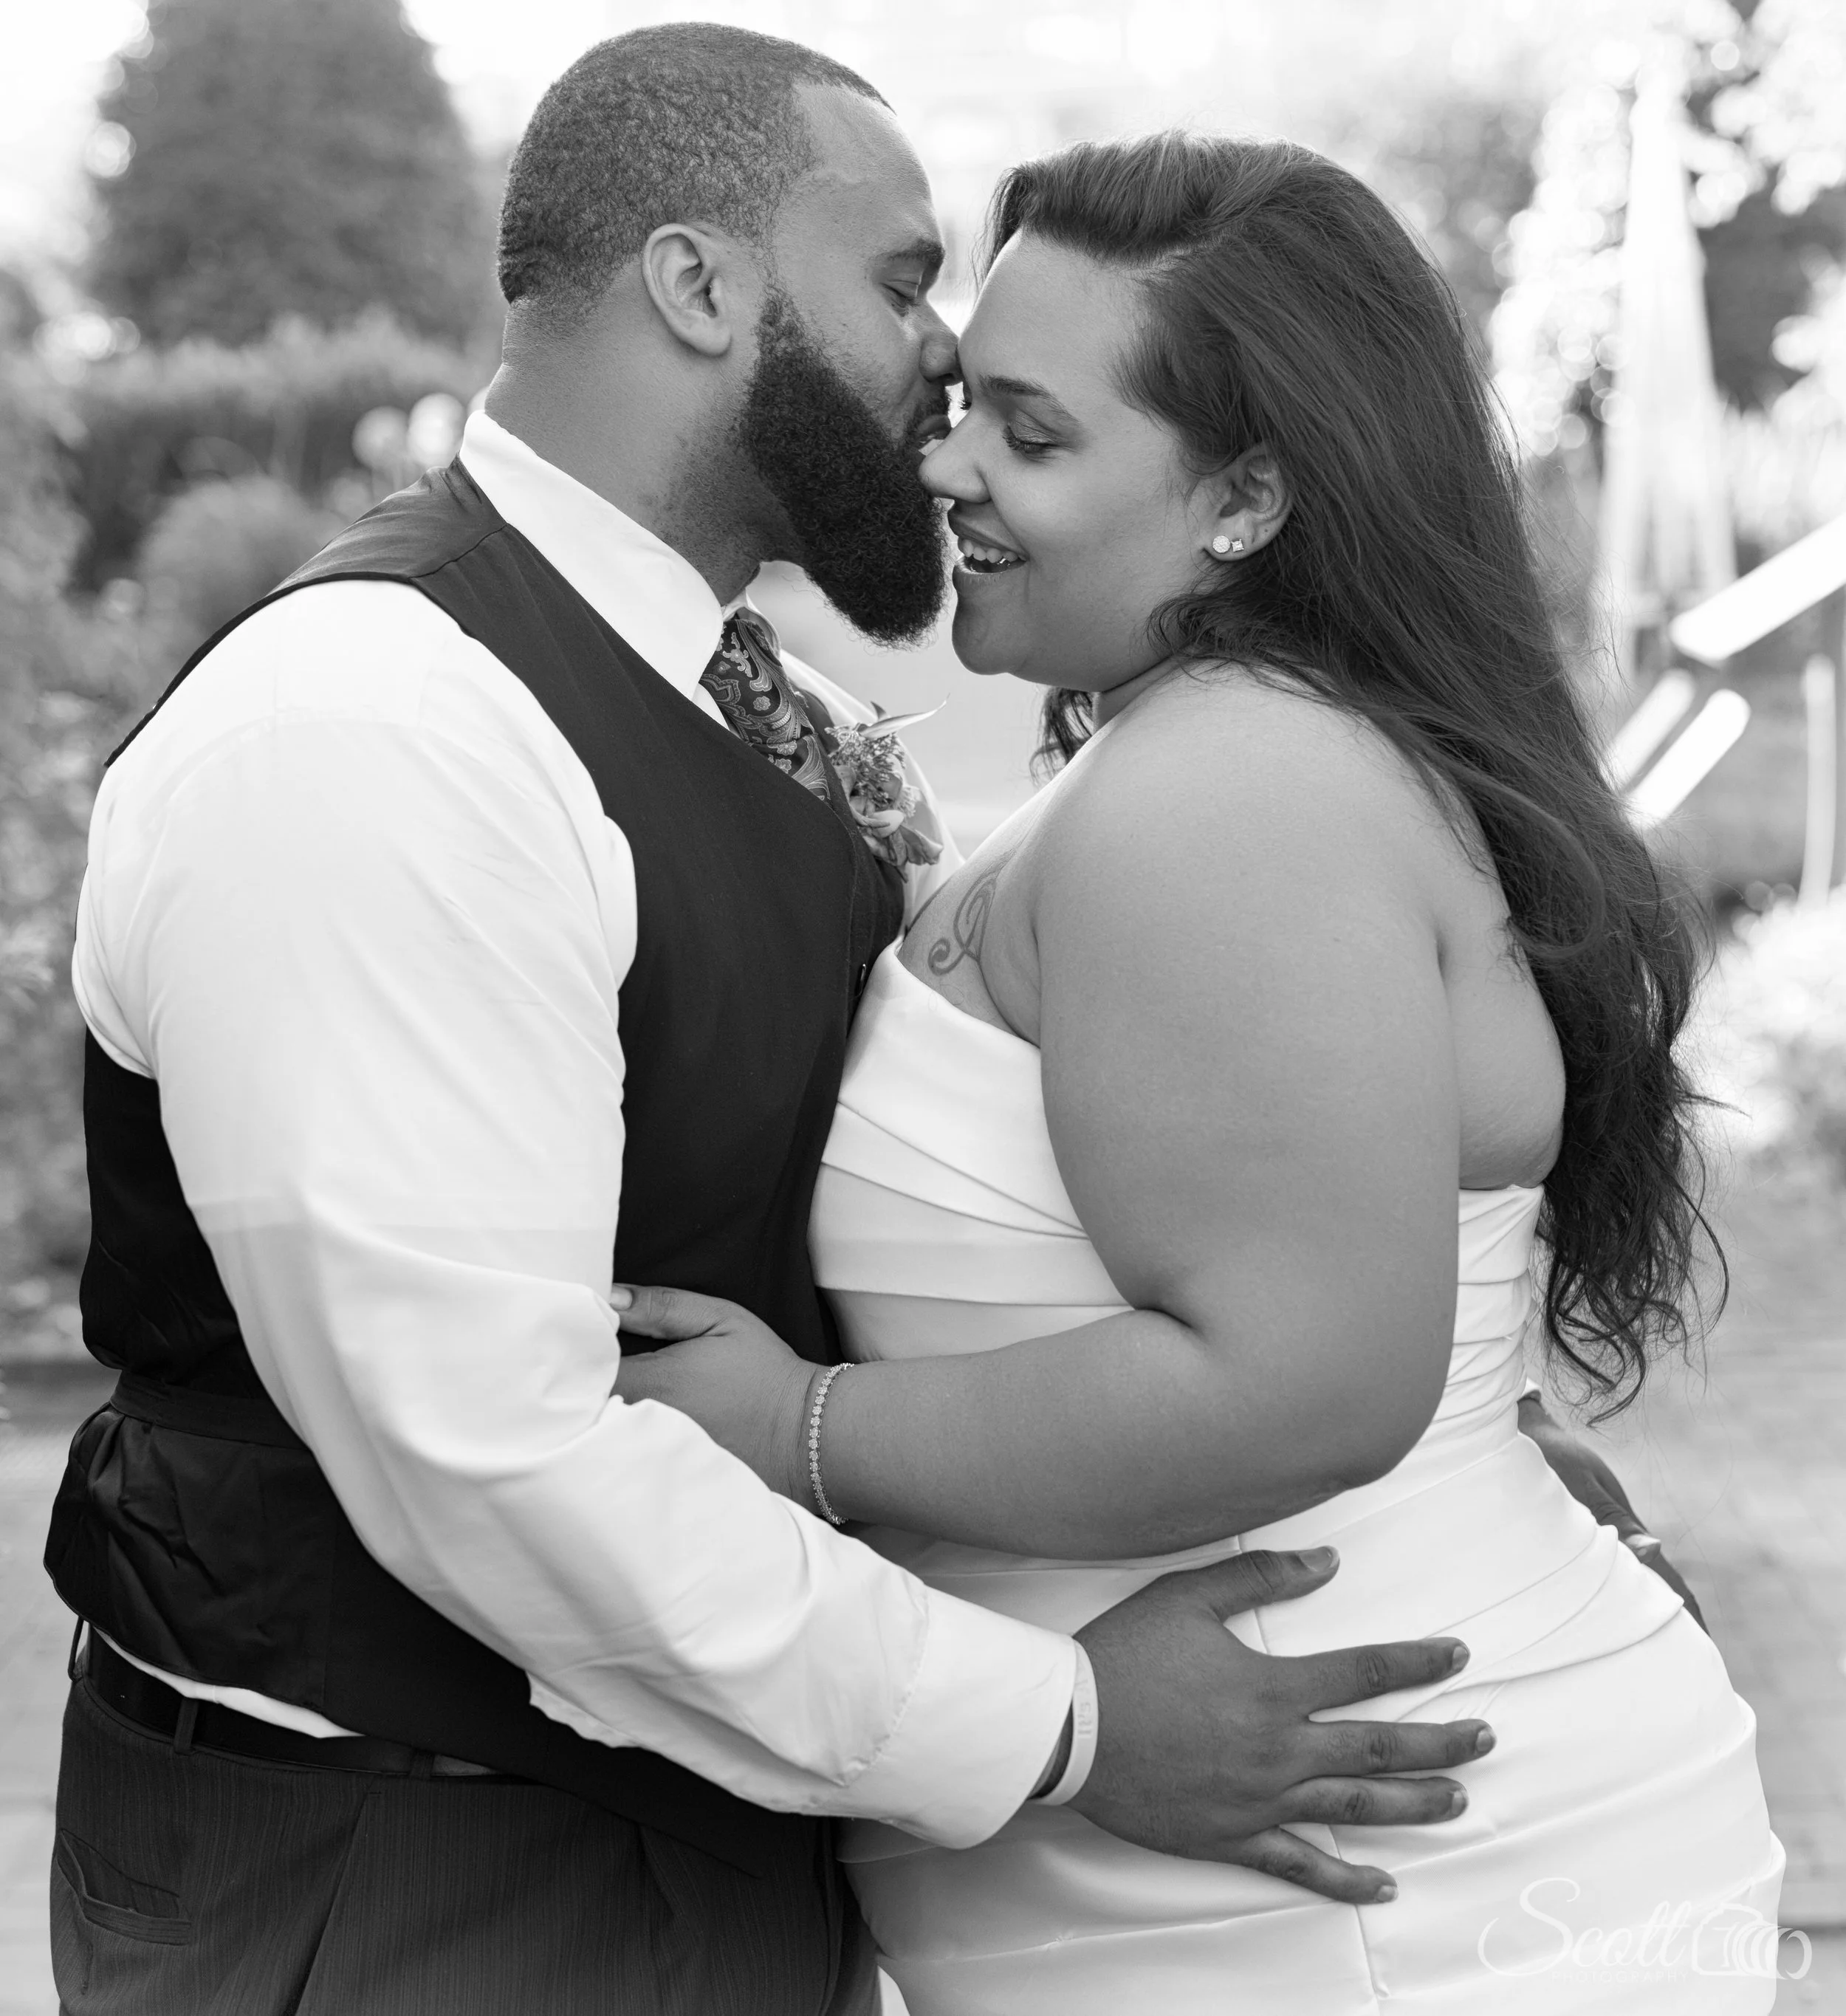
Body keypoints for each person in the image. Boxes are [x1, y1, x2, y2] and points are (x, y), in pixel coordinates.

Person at [44, 36, 1500, 2016]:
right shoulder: (375, 732)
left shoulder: (734, 688)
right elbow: (494, 1459)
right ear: (698, 283)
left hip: (699, 1836)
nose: (943, 371)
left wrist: (1451, 1465)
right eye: (903, 284)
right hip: (415, 1877)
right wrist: (1064, 1723)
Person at [611, 134, 1785, 2012]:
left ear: (1244, 497)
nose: (939, 465)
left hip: (1356, 1897)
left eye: (1031, 432)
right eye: (956, 402)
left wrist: (794, 1433)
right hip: (1264, 1849)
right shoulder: (1211, 756)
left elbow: (1301, 1376)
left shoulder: (1226, 795)